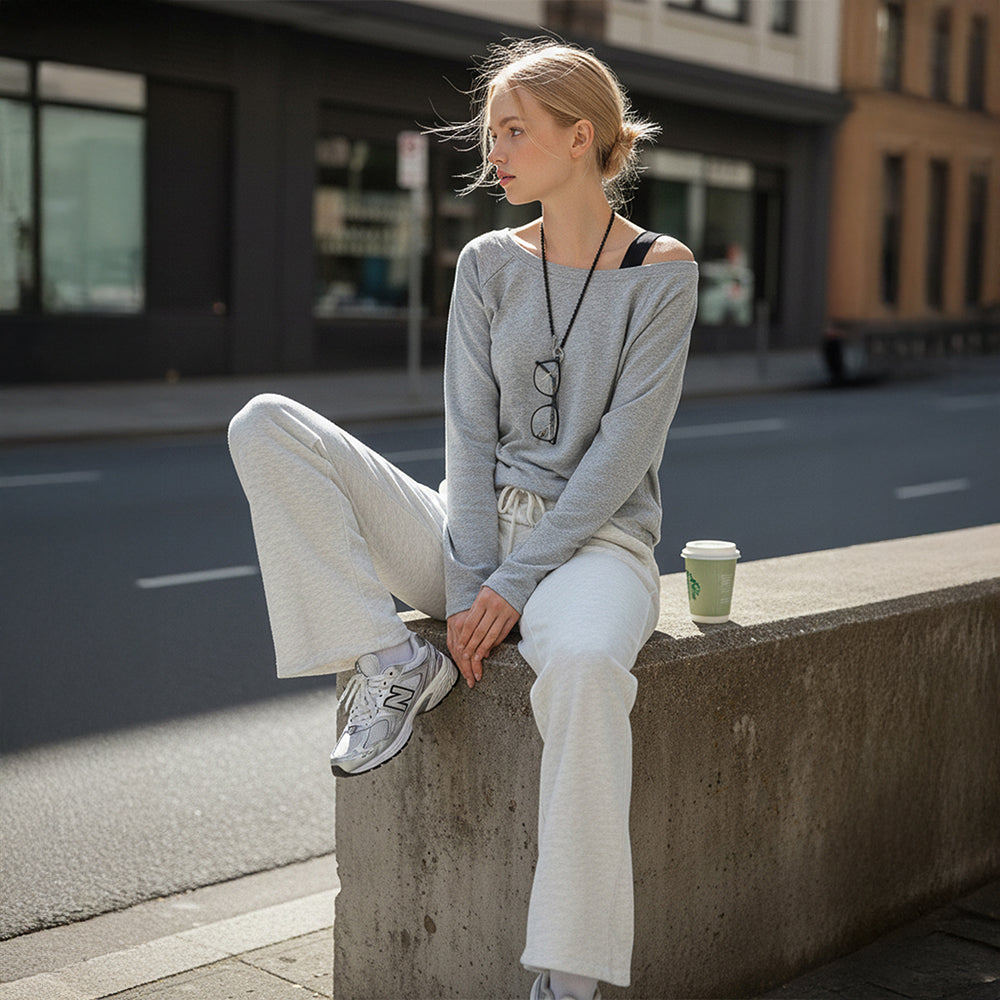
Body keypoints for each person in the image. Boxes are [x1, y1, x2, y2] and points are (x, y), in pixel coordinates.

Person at [228, 38, 697, 1000]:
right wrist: (474, 579)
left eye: (516, 132)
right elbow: (466, 435)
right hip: (473, 528)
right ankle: (396, 664)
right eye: (492, 135)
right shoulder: (486, 263)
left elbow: (619, 459)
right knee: (267, 425)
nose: (496, 154)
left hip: (593, 544)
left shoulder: (664, 271)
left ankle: (567, 980)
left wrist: (514, 587)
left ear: (582, 137)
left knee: (584, 669)